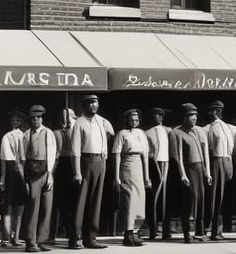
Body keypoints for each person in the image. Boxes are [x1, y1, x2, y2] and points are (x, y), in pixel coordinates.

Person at [71, 94, 112, 249]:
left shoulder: (101, 121)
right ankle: (75, 237)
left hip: (100, 161)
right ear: (85, 106)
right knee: (81, 201)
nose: (94, 105)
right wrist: (77, 172)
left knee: (96, 200)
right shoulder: (79, 123)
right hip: (85, 162)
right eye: (90, 103)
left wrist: (104, 159)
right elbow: (75, 149)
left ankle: (91, 237)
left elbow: (110, 134)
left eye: (95, 102)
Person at [19, 105, 56, 253]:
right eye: (33, 118)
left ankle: (42, 240)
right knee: (33, 206)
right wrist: (24, 180)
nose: (36, 120)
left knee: (46, 207)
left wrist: (50, 174)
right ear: (29, 120)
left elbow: (52, 154)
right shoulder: (26, 135)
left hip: (46, 171)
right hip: (31, 172)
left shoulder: (48, 133)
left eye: (38, 117)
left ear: (42, 118)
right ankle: (30, 241)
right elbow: (22, 158)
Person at [112, 109, 151, 247]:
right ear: (126, 120)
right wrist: (116, 176)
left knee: (140, 198)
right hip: (127, 167)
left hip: (139, 167)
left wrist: (147, 176)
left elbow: (145, 155)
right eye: (131, 119)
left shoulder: (141, 134)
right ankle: (128, 233)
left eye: (136, 119)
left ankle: (135, 231)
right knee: (130, 199)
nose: (134, 122)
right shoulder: (122, 134)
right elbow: (117, 155)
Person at [176, 104, 211, 243]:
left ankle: (199, 232)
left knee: (201, 199)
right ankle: (186, 233)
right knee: (190, 199)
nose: (194, 118)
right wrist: (182, 174)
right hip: (189, 168)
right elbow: (177, 156)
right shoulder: (177, 132)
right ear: (185, 117)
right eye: (191, 115)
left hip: (200, 168)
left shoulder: (197, 131)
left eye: (195, 115)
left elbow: (204, 151)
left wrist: (207, 172)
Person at [204, 100, 234, 241]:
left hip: (224, 160)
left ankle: (218, 229)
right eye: (216, 110)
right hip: (215, 160)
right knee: (215, 197)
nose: (217, 112)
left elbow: (230, 146)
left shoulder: (224, 126)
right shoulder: (210, 128)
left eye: (219, 110)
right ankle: (212, 229)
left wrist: (229, 163)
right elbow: (209, 149)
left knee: (221, 197)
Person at [0, 110, 26, 247]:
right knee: (8, 206)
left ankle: (16, 236)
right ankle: (6, 237)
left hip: (21, 171)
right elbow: (4, 160)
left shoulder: (25, 136)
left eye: (18, 121)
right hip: (11, 171)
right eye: (13, 120)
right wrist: (3, 179)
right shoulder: (6, 137)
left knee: (19, 206)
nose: (15, 123)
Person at [145, 108, 171, 240]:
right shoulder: (147, 133)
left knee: (165, 199)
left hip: (166, 163)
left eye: (160, 115)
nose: (158, 117)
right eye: (156, 115)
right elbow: (147, 152)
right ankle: (153, 230)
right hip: (154, 165)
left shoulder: (169, 131)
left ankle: (166, 231)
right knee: (153, 198)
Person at [52, 108, 77, 247]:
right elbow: (56, 153)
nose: (67, 119)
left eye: (70, 116)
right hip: (61, 165)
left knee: (72, 202)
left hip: (73, 165)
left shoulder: (75, 131)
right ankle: (54, 233)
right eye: (64, 116)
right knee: (59, 202)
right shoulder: (56, 133)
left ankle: (71, 233)